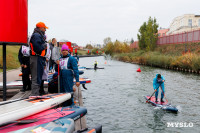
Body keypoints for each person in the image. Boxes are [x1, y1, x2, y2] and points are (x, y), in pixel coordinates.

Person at [30, 22, 48, 96]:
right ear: (40, 28)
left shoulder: (38, 35)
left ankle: (36, 94)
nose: (45, 30)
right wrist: (44, 45)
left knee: (38, 77)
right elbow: (37, 48)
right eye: (44, 28)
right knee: (36, 78)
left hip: (39, 58)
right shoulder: (36, 35)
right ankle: (34, 95)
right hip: (36, 58)